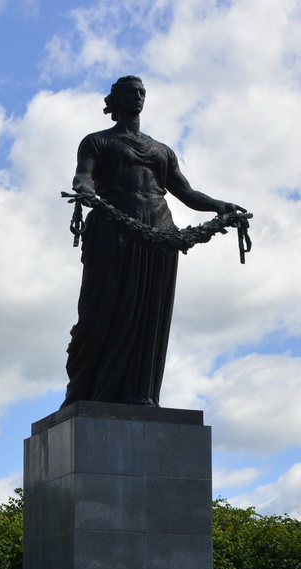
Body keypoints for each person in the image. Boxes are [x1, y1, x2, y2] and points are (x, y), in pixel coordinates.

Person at [64, 75, 243, 406]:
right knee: (101, 310)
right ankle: (88, 391)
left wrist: (219, 205)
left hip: (159, 234)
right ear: (114, 101)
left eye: (142, 92)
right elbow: (83, 174)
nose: (138, 97)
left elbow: (186, 193)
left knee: (150, 312)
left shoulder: (162, 150)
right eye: (130, 92)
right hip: (114, 230)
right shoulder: (97, 141)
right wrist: (85, 190)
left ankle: (140, 393)